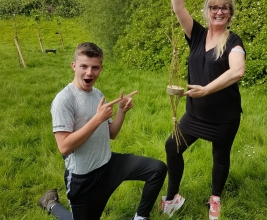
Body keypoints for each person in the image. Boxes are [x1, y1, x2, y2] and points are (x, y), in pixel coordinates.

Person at [37, 42, 167, 220]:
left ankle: (140, 217)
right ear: (74, 66)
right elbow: (64, 147)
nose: (89, 72)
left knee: (157, 169)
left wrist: (121, 111)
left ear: (101, 68)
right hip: (84, 178)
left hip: (108, 165)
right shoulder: (64, 100)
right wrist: (97, 118)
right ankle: (51, 203)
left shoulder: (97, 94)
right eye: (84, 66)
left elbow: (111, 133)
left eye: (95, 67)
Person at [160, 0, 245, 219]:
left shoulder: (233, 41)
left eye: (224, 7)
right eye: (214, 7)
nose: (219, 12)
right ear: (207, 11)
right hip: (195, 113)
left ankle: (215, 199)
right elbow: (178, 6)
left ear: (230, 13)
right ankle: (172, 197)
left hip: (224, 115)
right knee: (173, 146)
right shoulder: (196, 34)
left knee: (220, 155)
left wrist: (207, 89)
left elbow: (237, 71)